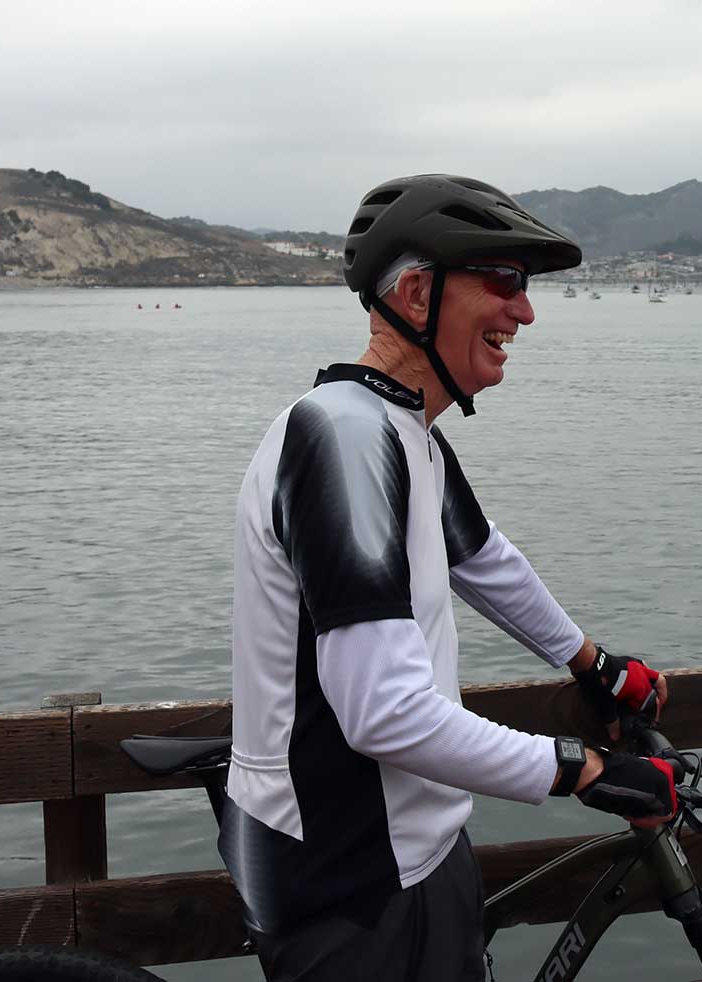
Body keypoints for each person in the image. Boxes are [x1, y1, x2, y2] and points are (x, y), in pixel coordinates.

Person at [227, 174, 678, 981]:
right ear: (414, 292)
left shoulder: (405, 432)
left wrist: (596, 665)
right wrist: (583, 768)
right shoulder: (344, 439)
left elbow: (484, 561)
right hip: (350, 877)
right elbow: (385, 715)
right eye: (503, 281)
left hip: (421, 846)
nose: (524, 311)